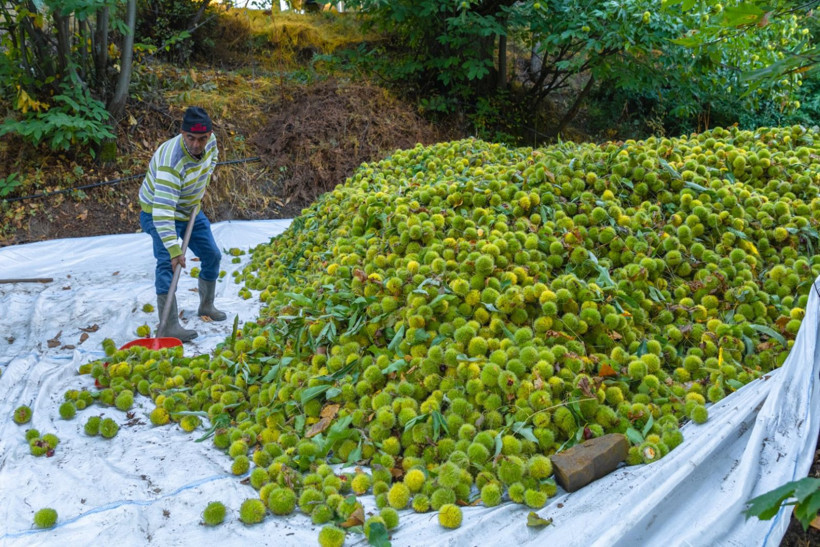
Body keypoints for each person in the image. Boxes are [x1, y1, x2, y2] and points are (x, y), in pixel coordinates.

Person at [138, 106, 226, 342]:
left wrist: (204, 179)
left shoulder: (211, 141)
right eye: (191, 138)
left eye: (202, 139)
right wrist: (175, 250)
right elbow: (163, 211)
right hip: (159, 212)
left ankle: (206, 306)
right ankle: (168, 325)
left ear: (209, 134)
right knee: (169, 265)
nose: (197, 145)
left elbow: (213, 155)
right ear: (181, 133)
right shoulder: (172, 162)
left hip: (189, 210)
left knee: (212, 255)